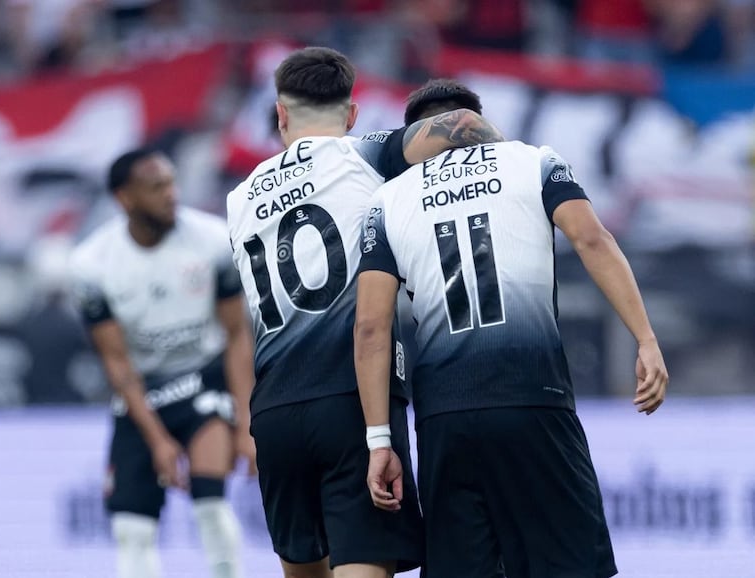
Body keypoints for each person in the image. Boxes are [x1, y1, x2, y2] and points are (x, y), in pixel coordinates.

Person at [226, 46, 502, 578]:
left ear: (280, 114)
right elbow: (465, 123)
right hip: (352, 400)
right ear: (351, 115)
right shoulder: (364, 154)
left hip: (275, 411)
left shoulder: (240, 198)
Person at [354, 134, 669, 576]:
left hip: (444, 418)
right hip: (533, 401)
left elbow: (370, 326)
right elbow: (592, 240)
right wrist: (646, 339)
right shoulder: (533, 161)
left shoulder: (388, 199)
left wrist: (379, 441)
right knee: (567, 565)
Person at [69, 147, 255, 578]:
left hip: (205, 379)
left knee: (210, 506)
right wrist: (158, 441)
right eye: (157, 187)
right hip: (142, 391)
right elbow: (117, 364)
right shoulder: (90, 265)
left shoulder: (212, 240)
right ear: (125, 198)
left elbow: (235, 335)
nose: (172, 194)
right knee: (131, 531)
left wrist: (246, 423)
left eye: (172, 183)